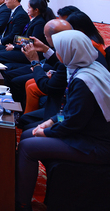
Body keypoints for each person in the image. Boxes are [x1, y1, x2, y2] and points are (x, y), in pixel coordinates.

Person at [15, 30, 110, 211]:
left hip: (96, 144)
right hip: (89, 131)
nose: (56, 53)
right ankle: (19, 188)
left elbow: (73, 122)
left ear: (68, 52)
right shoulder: (90, 66)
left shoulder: (84, 81)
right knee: (27, 134)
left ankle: (22, 204)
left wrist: (46, 131)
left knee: (27, 146)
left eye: (58, 49)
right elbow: (71, 112)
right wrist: (51, 121)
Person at [0, 0, 50, 65]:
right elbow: (24, 37)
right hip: (23, 47)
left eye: (29, 8)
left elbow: (33, 41)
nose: (27, 9)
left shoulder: (40, 23)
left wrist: (14, 47)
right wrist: (14, 45)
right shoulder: (34, 20)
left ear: (36, 10)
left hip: (32, 52)